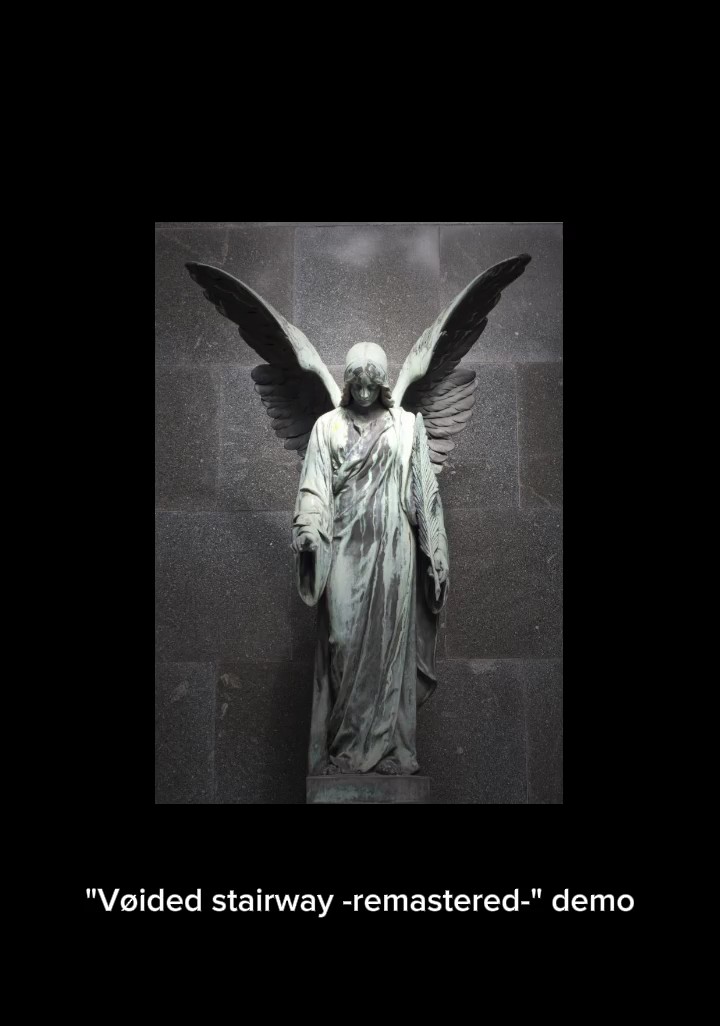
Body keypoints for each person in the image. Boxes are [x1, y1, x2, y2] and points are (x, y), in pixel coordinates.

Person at [292, 342, 449, 776]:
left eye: (371, 385)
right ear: (347, 384)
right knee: (341, 640)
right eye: (356, 385)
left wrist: (435, 550)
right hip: (343, 544)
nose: (363, 393)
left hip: (394, 546)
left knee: (389, 646)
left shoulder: (404, 425)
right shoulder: (327, 426)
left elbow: (426, 494)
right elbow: (314, 487)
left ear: (382, 384)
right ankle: (345, 749)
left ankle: (391, 750)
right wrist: (308, 529)